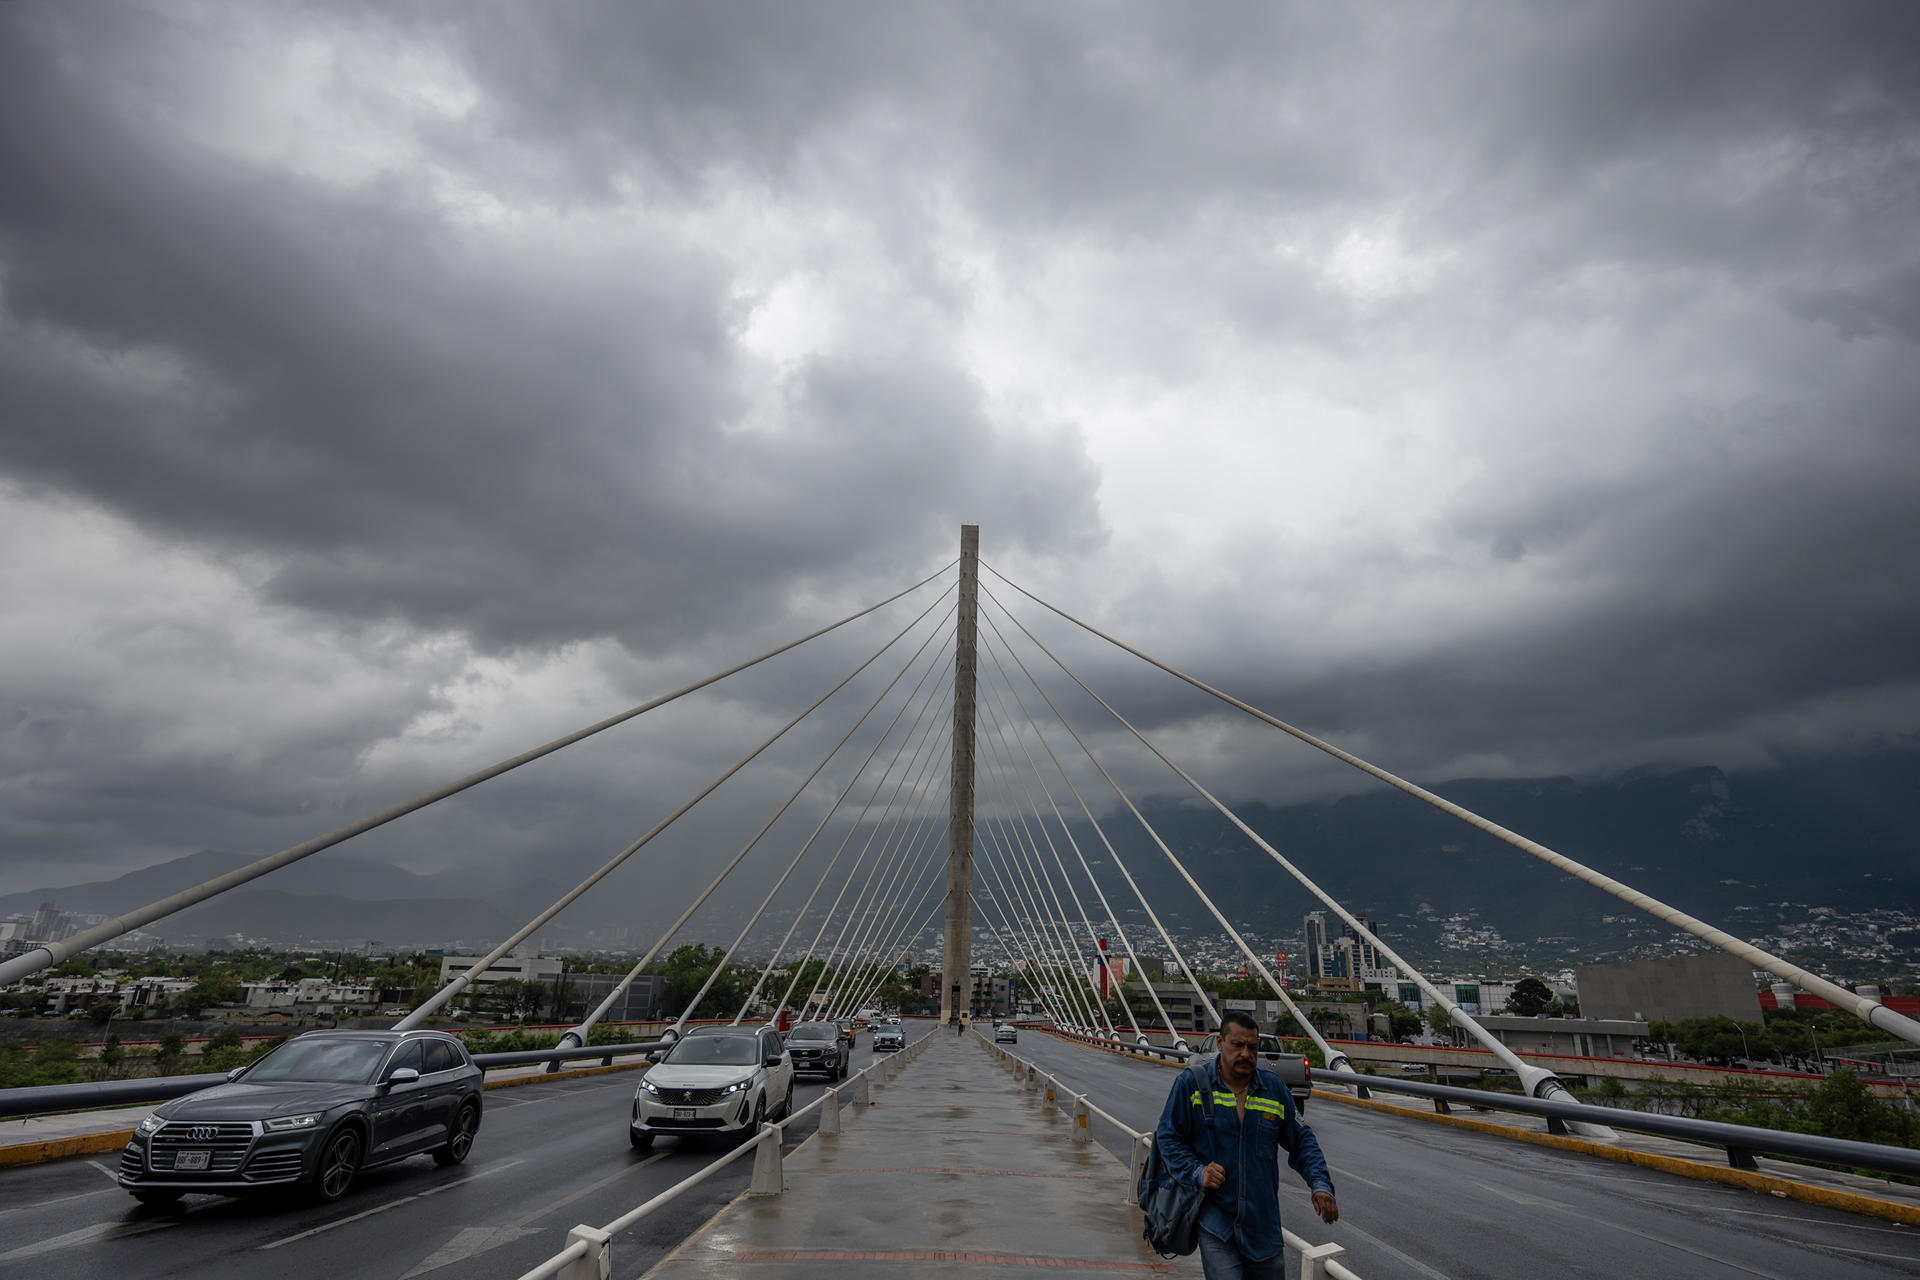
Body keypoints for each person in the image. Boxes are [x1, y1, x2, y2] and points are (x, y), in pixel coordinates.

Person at [1154, 1011, 1338, 1278]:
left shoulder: (1274, 1090)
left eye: (1252, 1047)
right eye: (1237, 1045)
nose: (1246, 1054)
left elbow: (1303, 1141)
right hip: (1217, 1224)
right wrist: (1198, 1172)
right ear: (1220, 1044)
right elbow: (1168, 1138)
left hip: (1263, 1229)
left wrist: (1320, 1185)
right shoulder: (1191, 1085)